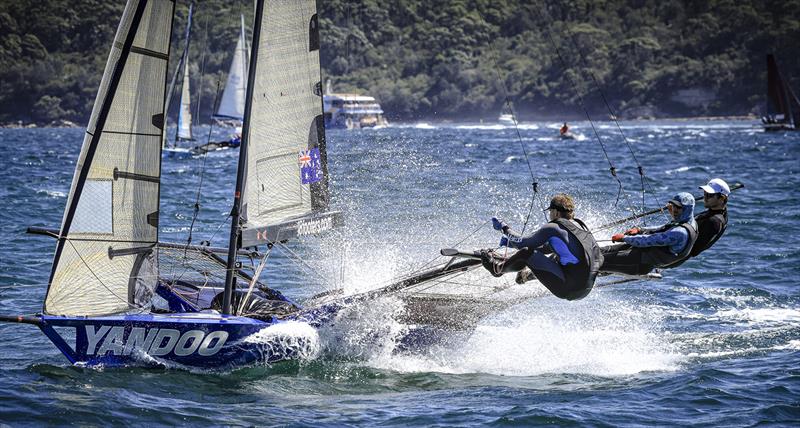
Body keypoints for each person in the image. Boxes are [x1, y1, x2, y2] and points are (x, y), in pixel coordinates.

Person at [481, 194, 603, 301]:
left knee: (526, 253)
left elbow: (524, 243)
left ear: (555, 212)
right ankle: (521, 273)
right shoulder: (580, 225)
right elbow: (547, 248)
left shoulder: (554, 227)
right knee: (551, 255)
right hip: (585, 288)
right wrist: (512, 244)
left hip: (568, 288)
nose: (550, 215)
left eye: (550, 212)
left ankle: (497, 269)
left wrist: (504, 228)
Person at [600, 192, 698, 276]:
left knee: (600, 260)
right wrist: (639, 230)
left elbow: (648, 240)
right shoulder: (688, 221)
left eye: (679, 207)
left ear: (687, 209)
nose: (674, 210)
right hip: (640, 252)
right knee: (601, 251)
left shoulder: (680, 232)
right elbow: (661, 228)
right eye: (674, 206)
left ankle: (589, 272)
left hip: (640, 264)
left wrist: (624, 238)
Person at [665, 178, 730, 268]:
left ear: (722, 199)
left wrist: (675, 215)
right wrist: (675, 213)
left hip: (671, 257)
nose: (705, 198)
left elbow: (694, 249)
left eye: (710, 195)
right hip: (673, 250)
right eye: (705, 194)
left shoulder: (714, 221)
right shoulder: (718, 211)